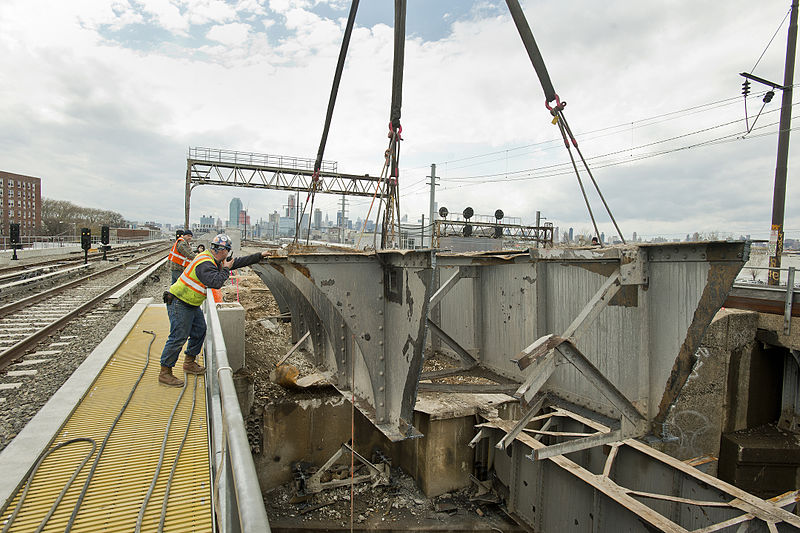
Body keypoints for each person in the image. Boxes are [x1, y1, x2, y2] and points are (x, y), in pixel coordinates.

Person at [159, 233, 271, 387]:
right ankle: (165, 372)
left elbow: (236, 262)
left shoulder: (213, 258)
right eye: (228, 252)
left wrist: (259, 256)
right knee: (178, 336)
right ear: (224, 251)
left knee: (200, 331)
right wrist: (225, 269)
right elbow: (215, 282)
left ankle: (189, 362)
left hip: (190, 303)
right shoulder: (205, 263)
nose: (228, 256)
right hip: (179, 302)